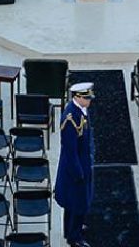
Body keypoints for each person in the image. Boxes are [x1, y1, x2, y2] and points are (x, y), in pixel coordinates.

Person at [55, 82, 96, 247]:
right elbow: (70, 150)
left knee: (74, 202)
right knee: (78, 203)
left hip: (83, 161)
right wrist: (78, 173)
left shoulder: (81, 111)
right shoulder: (71, 118)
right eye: (86, 98)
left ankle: (71, 228)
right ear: (77, 97)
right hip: (76, 168)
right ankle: (74, 237)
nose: (89, 100)